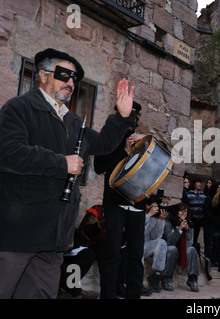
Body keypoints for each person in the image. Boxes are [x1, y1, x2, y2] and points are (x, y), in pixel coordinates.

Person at [0, 48, 135, 299]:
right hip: (17, 234)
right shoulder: (19, 108)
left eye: (75, 79)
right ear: (43, 76)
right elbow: (7, 153)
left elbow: (104, 144)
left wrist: (122, 116)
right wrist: (61, 163)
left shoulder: (73, 122)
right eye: (64, 76)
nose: (71, 83)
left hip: (54, 239)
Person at [93, 102, 148, 299]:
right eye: (129, 115)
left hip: (137, 203)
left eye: (135, 116)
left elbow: (151, 172)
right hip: (115, 202)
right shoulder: (108, 137)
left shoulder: (142, 140)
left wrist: (146, 148)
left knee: (136, 255)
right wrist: (124, 150)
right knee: (112, 253)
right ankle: (108, 295)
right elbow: (99, 167)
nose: (133, 119)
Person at [162, 202, 200, 292]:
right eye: (181, 211)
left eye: (186, 211)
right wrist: (179, 229)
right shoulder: (168, 223)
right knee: (173, 249)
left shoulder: (188, 223)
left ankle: (192, 279)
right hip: (169, 248)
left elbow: (189, 244)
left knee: (191, 249)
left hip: (182, 249)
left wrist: (189, 231)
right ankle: (167, 278)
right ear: (176, 212)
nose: (184, 214)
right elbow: (170, 242)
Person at [58, 229, 98, 299]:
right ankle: (74, 291)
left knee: (87, 255)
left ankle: (72, 288)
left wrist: (71, 242)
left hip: (64, 247)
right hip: (49, 251)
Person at [143, 198, 169, 293]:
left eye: (158, 206)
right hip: (134, 245)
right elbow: (137, 233)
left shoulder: (154, 219)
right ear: (147, 206)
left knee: (161, 242)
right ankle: (138, 284)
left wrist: (161, 220)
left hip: (147, 246)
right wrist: (148, 215)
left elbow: (155, 237)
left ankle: (156, 276)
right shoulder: (140, 215)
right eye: (155, 206)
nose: (157, 208)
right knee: (137, 249)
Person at [183, 177, 207, 255]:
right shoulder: (188, 194)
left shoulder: (202, 195)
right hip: (192, 218)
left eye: (200, 182)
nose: (199, 184)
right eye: (197, 182)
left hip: (199, 219)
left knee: (196, 236)